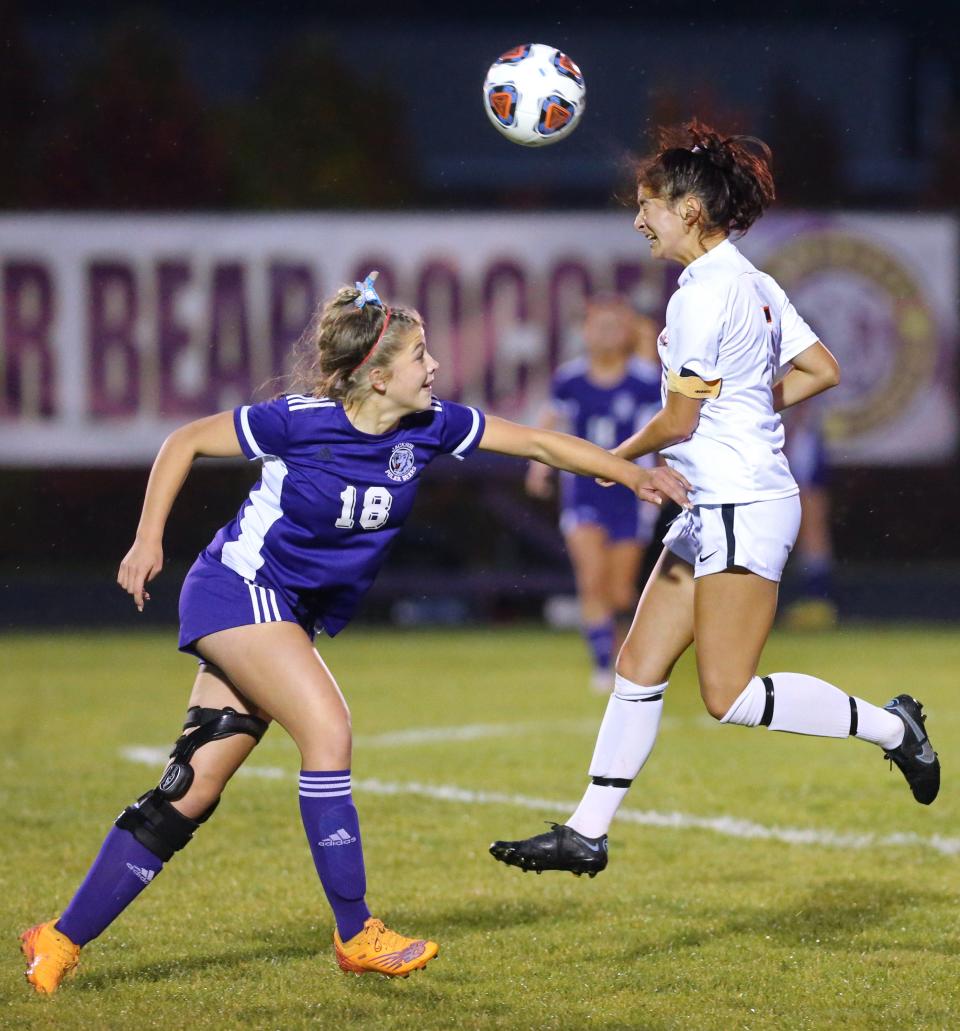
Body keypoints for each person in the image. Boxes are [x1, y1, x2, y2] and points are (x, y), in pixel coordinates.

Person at [20, 273, 690, 993]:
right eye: (421, 355)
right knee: (329, 731)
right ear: (377, 376)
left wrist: (628, 473)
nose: (434, 367)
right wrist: (147, 538)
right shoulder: (299, 420)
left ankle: (57, 937)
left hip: (283, 613)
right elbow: (184, 440)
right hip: (237, 590)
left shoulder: (427, 425)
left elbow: (537, 445)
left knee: (192, 785)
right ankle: (356, 930)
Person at [490, 120, 940, 879]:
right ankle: (587, 831)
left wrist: (608, 459)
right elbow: (822, 368)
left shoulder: (701, 295)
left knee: (728, 694)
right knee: (638, 662)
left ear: (689, 210)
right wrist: (751, 406)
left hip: (740, 503)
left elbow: (678, 419)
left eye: (649, 205)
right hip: (719, 502)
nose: (639, 220)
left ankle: (894, 729)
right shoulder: (752, 280)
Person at [526, 295, 662, 692]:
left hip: (629, 493)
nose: (604, 334)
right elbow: (549, 425)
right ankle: (603, 666)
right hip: (584, 490)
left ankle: (626, 654)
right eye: (597, 326)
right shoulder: (570, 379)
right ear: (584, 332)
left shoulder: (643, 380)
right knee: (591, 578)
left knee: (620, 591)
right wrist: (538, 466)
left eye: (613, 326)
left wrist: (666, 473)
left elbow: (663, 429)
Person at [781, 405, 838, 629]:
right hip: (788, 435)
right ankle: (814, 599)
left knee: (812, 525)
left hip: (800, 438)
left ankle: (818, 601)